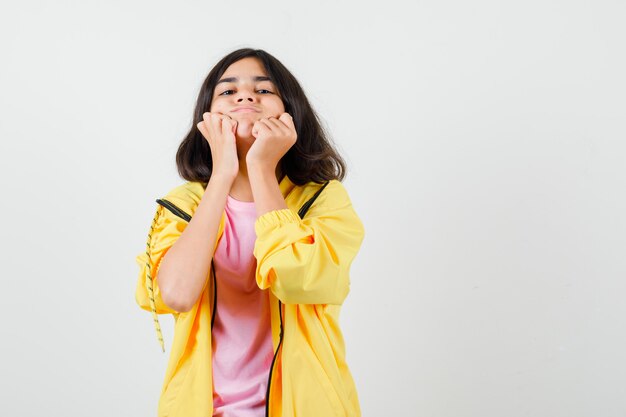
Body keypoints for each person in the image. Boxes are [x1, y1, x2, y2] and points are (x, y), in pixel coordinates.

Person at [134, 47, 365, 417]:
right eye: (228, 91)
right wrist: (222, 174)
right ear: (207, 118)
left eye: (264, 90)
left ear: (290, 111)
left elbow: (296, 279)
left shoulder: (324, 199)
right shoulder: (184, 204)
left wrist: (260, 166)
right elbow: (174, 294)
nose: (245, 96)